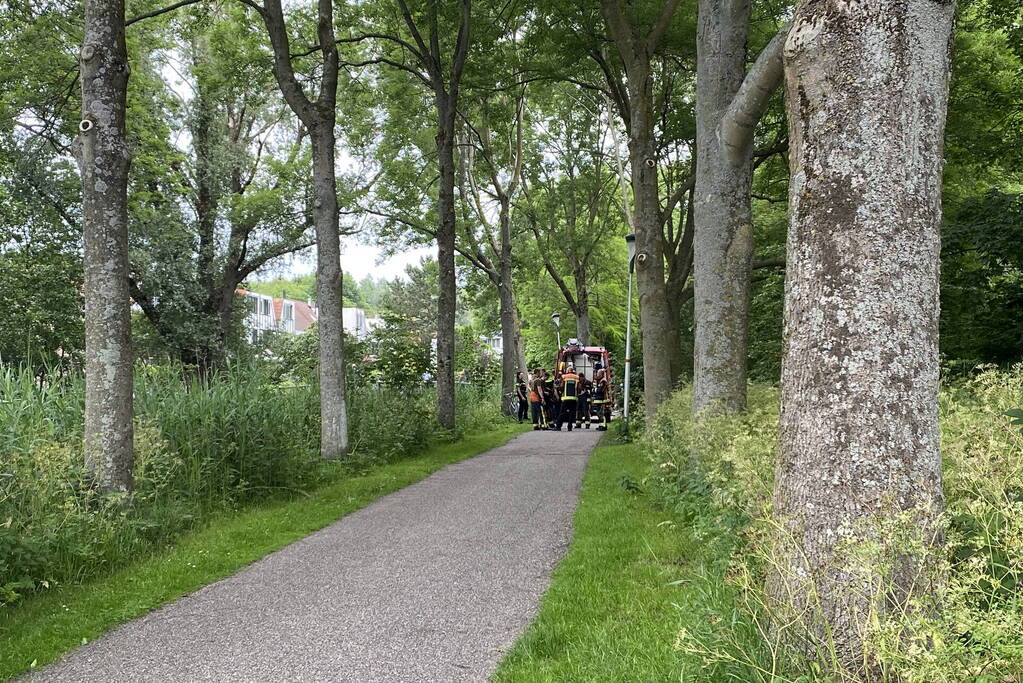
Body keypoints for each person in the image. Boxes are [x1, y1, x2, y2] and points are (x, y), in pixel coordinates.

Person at [556, 365, 580, 431]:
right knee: (572, 413)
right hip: (574, 398)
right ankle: (570, 426)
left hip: (565, 398)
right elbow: (579, 388)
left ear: (567, 371)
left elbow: (561, 386)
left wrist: (560, 391)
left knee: (562, 412)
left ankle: (558, 426)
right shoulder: (577, 377)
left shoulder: (564, 377)